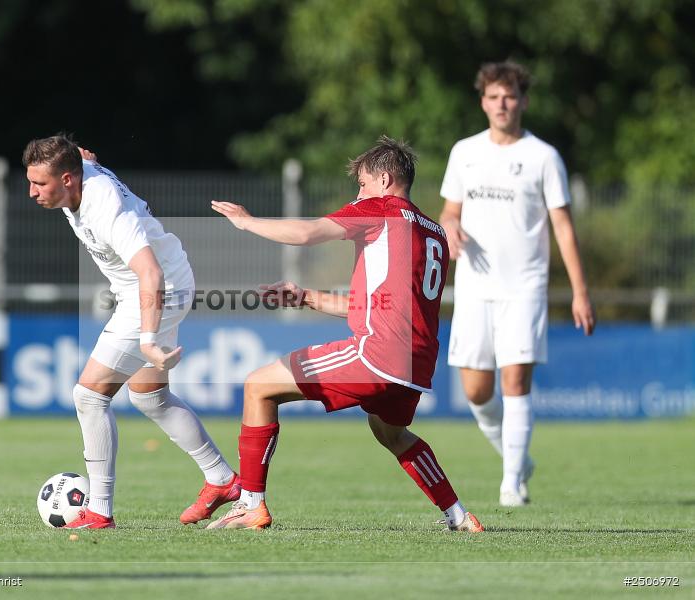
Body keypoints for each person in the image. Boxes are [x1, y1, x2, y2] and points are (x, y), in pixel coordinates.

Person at [206, 136, 483, 532]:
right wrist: (305, 297)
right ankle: (459, 515)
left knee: (257, 385)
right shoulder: (432, 231)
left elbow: (307, 234)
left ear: (384, 179)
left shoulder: (380, 209)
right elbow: (374, 305)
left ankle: (250, 504)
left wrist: (247, 222)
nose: (359, 193)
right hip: (415, 366)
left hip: (379, 355)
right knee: (389, 430)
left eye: (363, 183)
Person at [22, 134, 240, 528]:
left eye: (40, 184)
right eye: (30, 181)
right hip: (158, 283)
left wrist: (148, 339)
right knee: (150, 397)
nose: (32, 192)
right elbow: (85, 159)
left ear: (68, 179)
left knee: (88, 395)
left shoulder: (106, 208)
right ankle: (222, 480)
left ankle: (99, 510)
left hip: (157, 290)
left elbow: (150, 273)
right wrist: (87, 158)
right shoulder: (80, 172)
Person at [438, 61, 596, 507]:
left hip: (524, 286)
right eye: (493, 96)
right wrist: (449, 226)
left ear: (523, 101)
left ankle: (512, 483)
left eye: (509, 96)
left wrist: (581, 291)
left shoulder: (543, 157)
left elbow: (563, 227)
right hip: (474, 285)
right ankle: (516, 458)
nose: (501, 104)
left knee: (516, 380)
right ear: (483, 102)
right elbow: (450, 211)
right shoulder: (465, 151)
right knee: (475, 391)